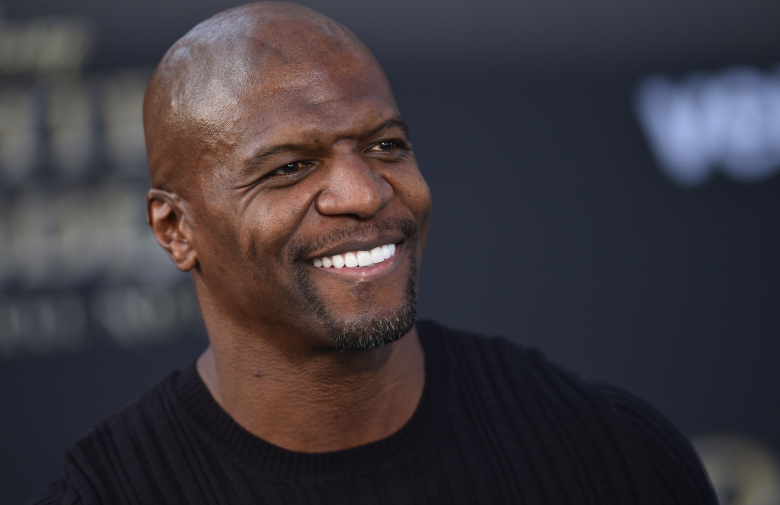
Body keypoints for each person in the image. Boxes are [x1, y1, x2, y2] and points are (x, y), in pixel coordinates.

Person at [33, 2, 717, 504]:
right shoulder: (114, 490)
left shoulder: (607, 451)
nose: (363, 192)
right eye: (290, 168)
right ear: (175, 229)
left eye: (386, 146)